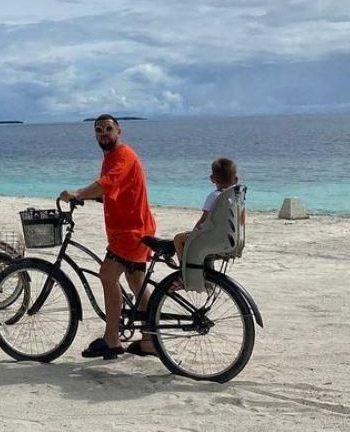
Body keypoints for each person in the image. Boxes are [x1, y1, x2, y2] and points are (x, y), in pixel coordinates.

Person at [60, 114, 157, 359]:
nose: (104, 133)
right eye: (99, 130)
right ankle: (150, 340)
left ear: (118, 131)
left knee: (107, 274)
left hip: (131, 231)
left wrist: (78, 193)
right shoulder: (111, 157)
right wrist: (90, 196)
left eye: (108, 129)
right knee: (137, 284)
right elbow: (114, 191)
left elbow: (107, 183)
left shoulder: (123, 155)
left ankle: (112, 339)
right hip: (131, 229)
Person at [172, 157, 246, 264]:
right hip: (231, 239)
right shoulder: (236, 198)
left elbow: (204, 219)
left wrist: (194, 233)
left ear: (212, 178)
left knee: (178, 239)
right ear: (236, 179)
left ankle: (184, 268)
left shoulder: (214, 196)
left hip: (212, 239)